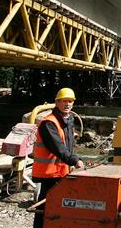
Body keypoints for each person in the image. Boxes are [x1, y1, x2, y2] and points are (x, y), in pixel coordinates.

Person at [32, 88, 84, 228]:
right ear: (57, 102)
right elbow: (58, 148)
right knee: (45, 207)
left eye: (70, 101)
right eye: (64, 101)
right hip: (49, 173)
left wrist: (70, 164)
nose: (67, 104)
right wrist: (75, 160)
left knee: (60, 206)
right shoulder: (49, 123)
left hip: (61, 171)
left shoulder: (68, 119)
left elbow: (69, 144)